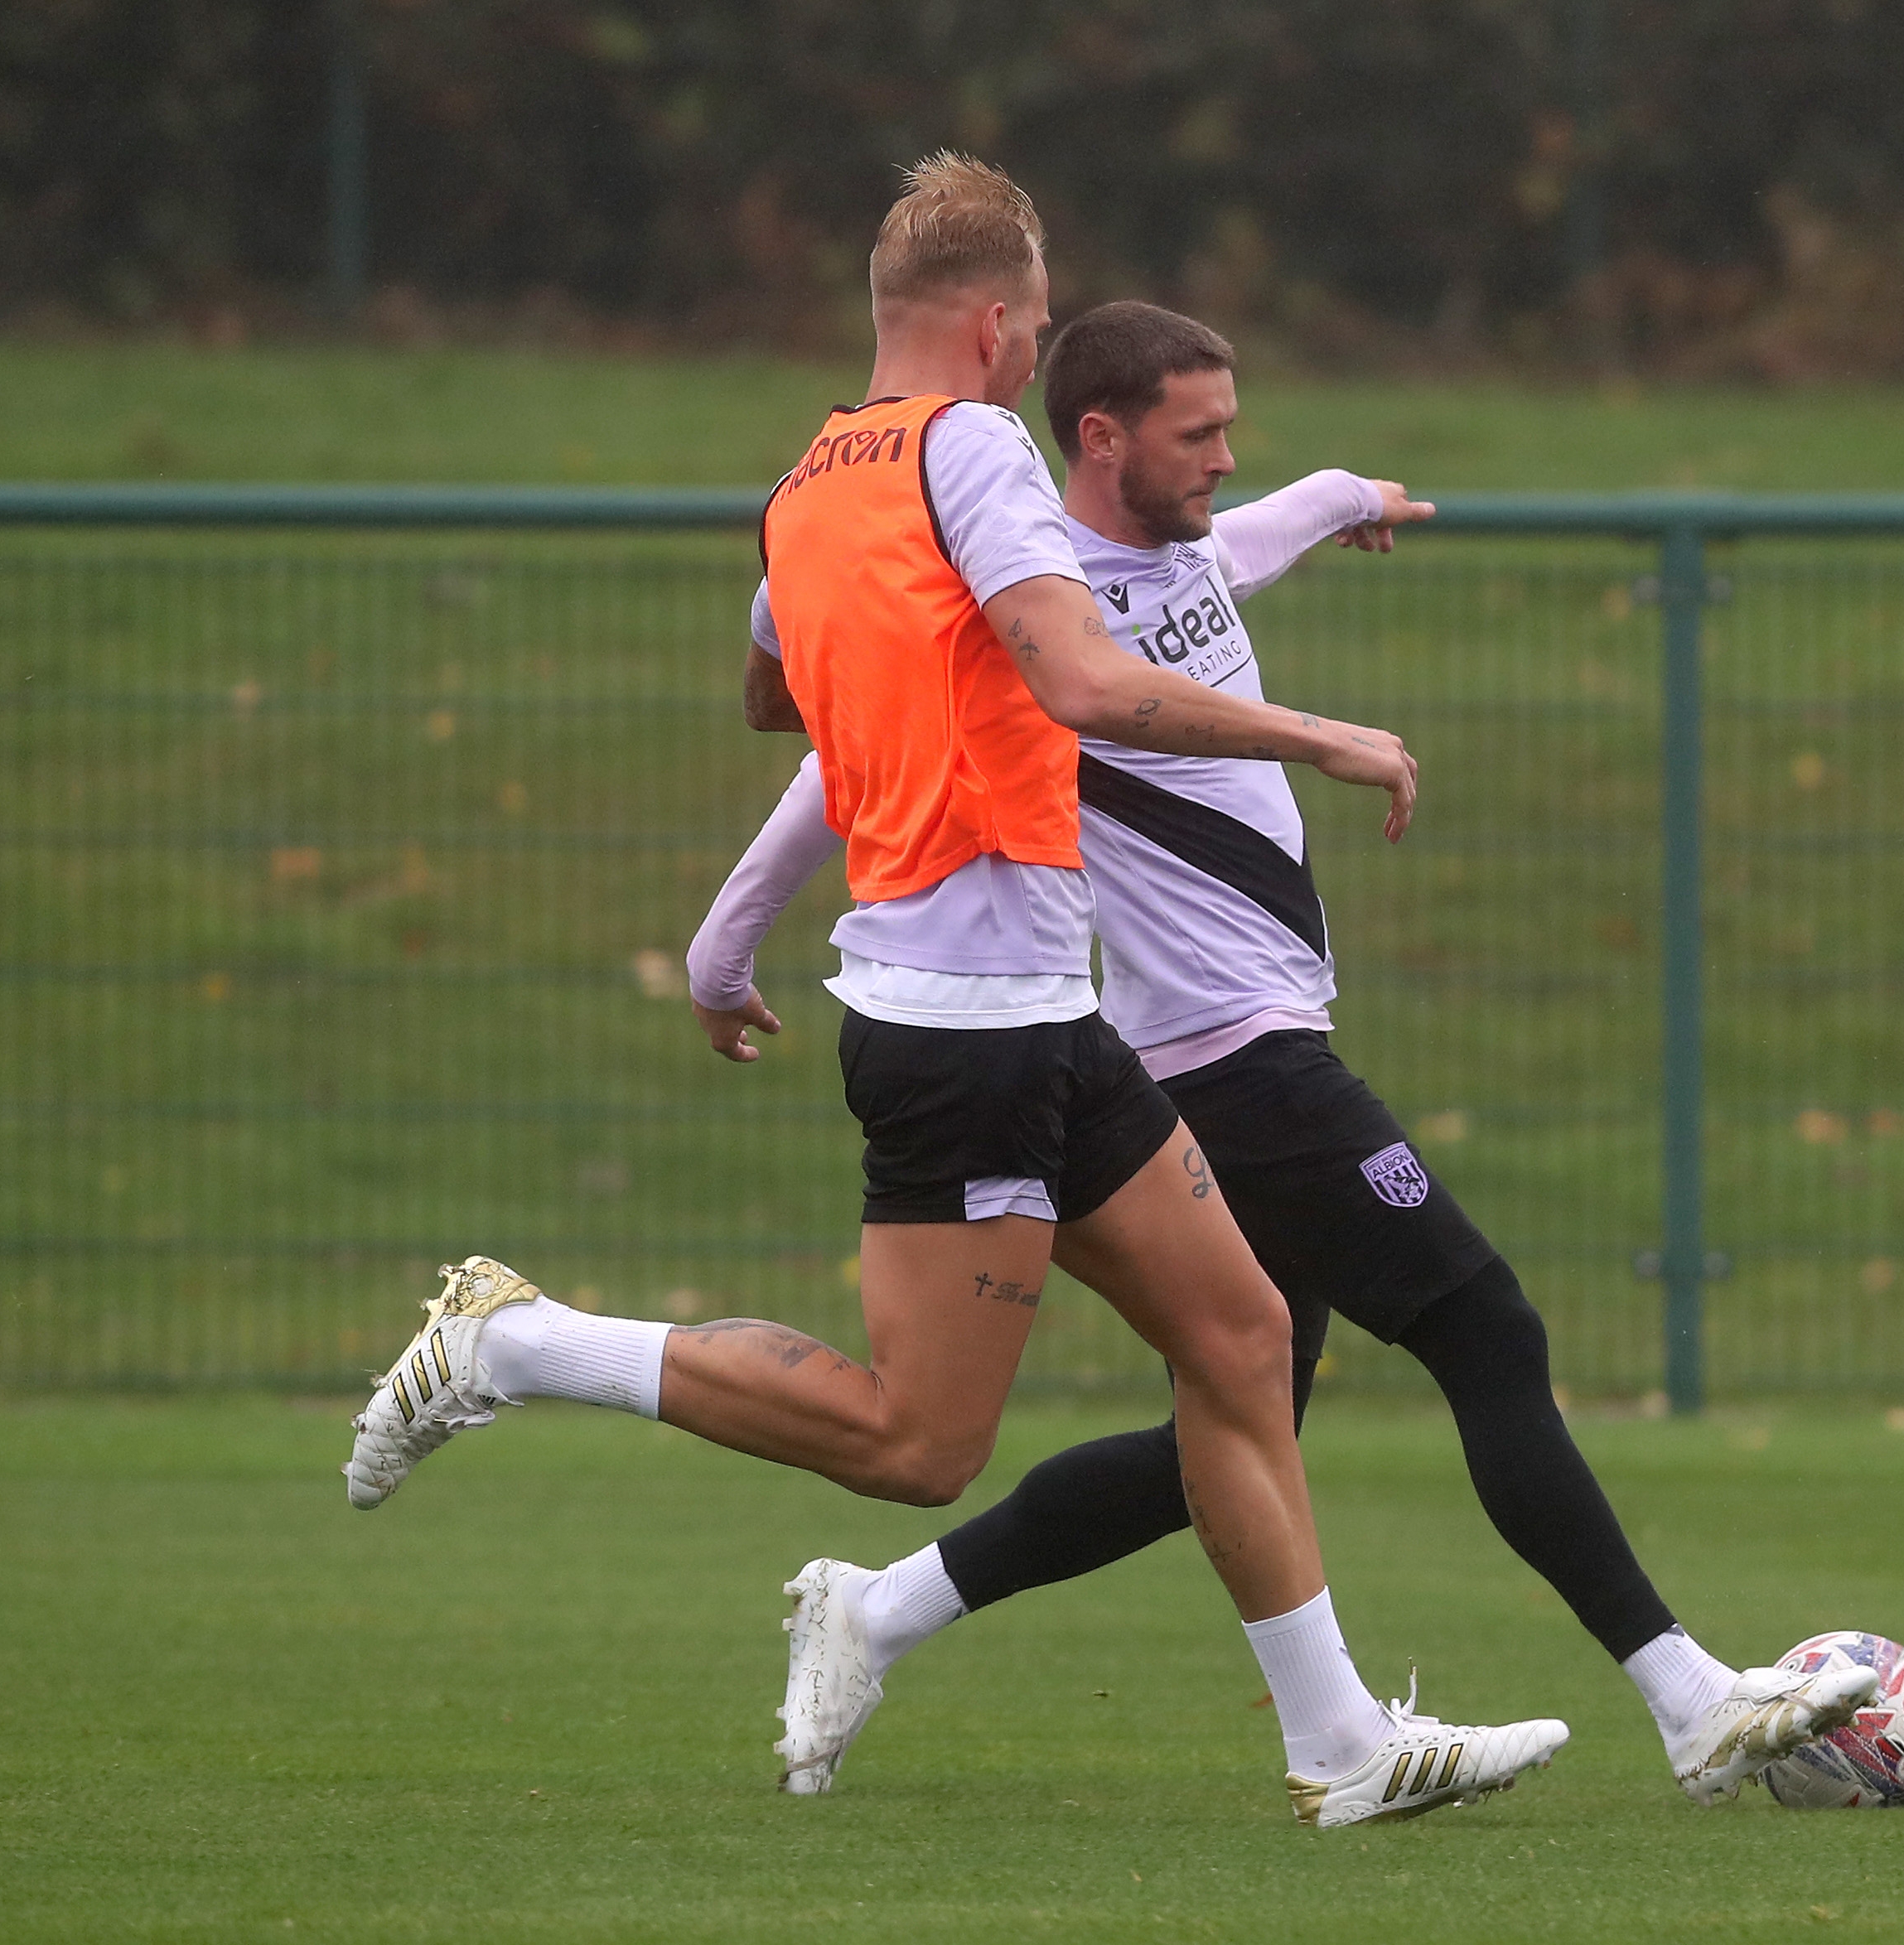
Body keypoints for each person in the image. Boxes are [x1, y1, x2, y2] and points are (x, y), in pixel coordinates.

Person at [343, 159, 1569, 1830]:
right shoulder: (971, 445)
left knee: (1242, 1336)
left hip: (1043, 1009)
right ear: (995, 325)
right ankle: (520, 1345)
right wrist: (1321, 734)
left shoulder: (808, 482)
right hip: (958, 1022)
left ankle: (1343, 1743)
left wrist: (801, 841)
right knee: (917, 1446)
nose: (1033, 352)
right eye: (1040, 325)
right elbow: (1083, 678)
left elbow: (777, 689)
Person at [693, 297, 1880, 1807]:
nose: (1224, 459)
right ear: (1102, 438)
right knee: (1483, 1328)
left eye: (1230, 430)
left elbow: (1254, 534)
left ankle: (882, 1608)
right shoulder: (1047, 616)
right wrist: (720, 954)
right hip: (1224, 1060)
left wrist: (1346, 502)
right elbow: (823, 780)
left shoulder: (1182, 551)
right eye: (1198, 434)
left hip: (1239, 1045)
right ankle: (1689, 1696)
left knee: (1238, 1416)